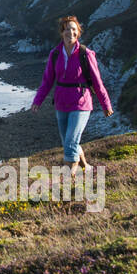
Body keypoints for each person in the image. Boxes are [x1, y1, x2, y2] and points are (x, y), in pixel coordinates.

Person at [30, 15, 114, 178]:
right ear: (62, 32)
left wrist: (106, 105)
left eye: (74, 29)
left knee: (70, 142)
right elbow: (47, 81)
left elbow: (97, 81)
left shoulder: (86, 54)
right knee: (69, 142)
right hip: (61, 103)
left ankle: (69, 178)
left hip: (81, 102)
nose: (71, 32)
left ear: (78, 33)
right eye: (67, 29)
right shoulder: (54, 54)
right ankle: (87, 167)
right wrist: (37, 101)